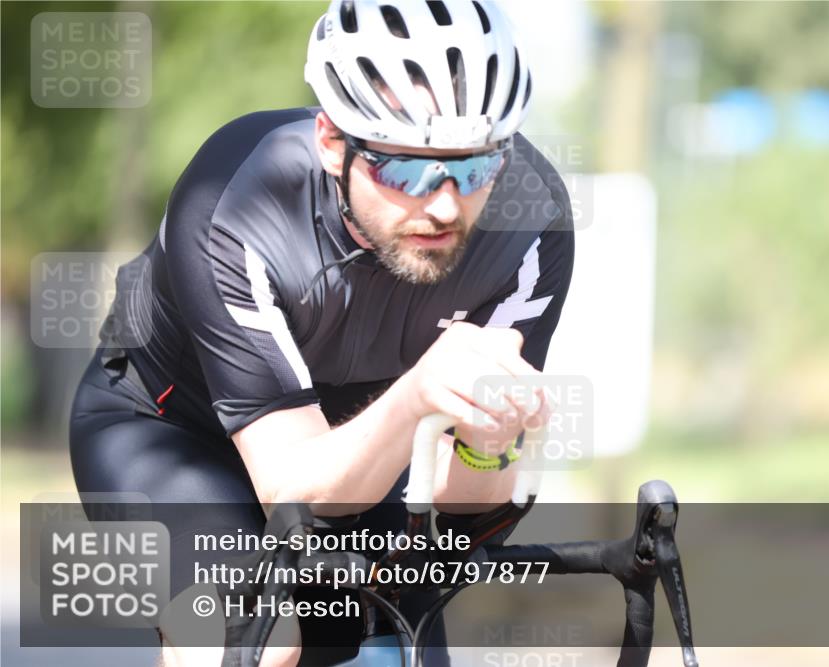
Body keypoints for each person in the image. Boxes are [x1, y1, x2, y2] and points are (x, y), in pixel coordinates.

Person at [69, 1, 574, 665]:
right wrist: (422, 390)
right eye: (408, 168)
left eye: (476, 167)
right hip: (173, 430)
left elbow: (464, 509)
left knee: (397, 644)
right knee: (255, 641)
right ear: (333, 141)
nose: (447, 204)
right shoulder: (236, 199)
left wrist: (489, 440)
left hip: (367, 446)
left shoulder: (531, 227)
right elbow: (292, 488)